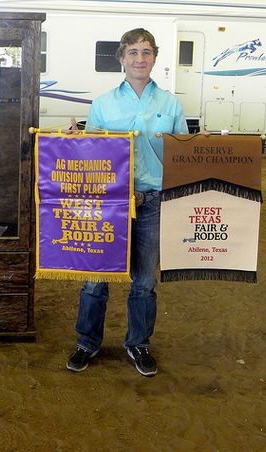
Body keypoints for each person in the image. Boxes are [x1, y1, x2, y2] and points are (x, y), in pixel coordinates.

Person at [66, 28, 188, 377]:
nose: (139, 59)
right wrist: (77, 141)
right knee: (95, 279)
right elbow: (91, 158)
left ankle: (139, 344)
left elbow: (181, 155)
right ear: (121, 58)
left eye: (146, 52)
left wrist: (198, 146)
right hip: (111, 204)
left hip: (152, 202)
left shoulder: (171, 105)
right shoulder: (103, 104)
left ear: (154, 58)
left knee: (145, 281)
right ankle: (86, 343)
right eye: (133, 52)